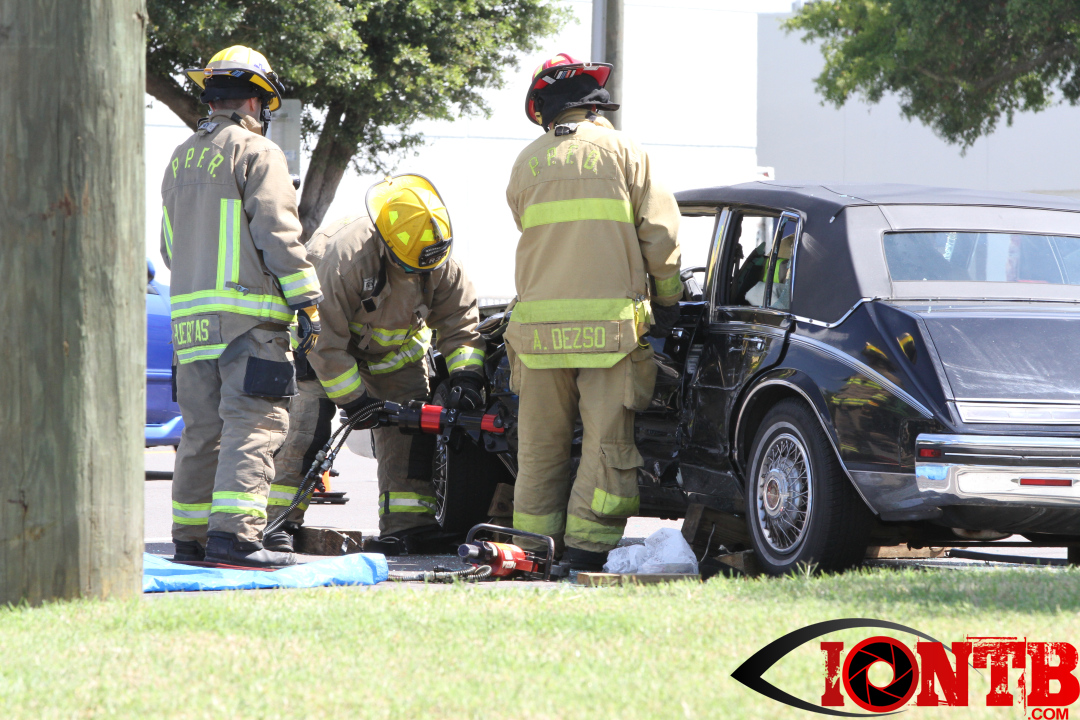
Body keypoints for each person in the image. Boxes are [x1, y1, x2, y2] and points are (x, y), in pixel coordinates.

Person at [505, 54, 683, 573]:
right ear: (595, 104)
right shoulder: (626, 153)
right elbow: (661, 237)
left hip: (537, 339)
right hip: (609, 336)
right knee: (606, 446)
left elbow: (528, 227)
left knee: (540, 448)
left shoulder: (526, 163)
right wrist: (667, 300)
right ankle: (585, 547)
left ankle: (531, 550)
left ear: (544, 107)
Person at [161, 45, 323, 568]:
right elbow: (278, 233)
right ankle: (236, 538)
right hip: (248, 324)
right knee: (254, 425)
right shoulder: (258, 151)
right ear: (257, 100)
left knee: (202, 431)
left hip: (190, 327)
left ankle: (191, 539)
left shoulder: (180, 158)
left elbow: (169, 247)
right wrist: (308, 301)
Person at [264, 174, 486, 555]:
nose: (422, 276)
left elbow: (460, 323)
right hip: (319, 348)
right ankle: (277, 522)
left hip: (395, 356)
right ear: (388, 247)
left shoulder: (438, 259)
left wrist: (466, 377)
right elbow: (326, 343)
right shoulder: (340, 260)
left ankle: (408, 526)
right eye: (411, 269)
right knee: (306, 432)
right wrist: (355, 400)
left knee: (412, 436)